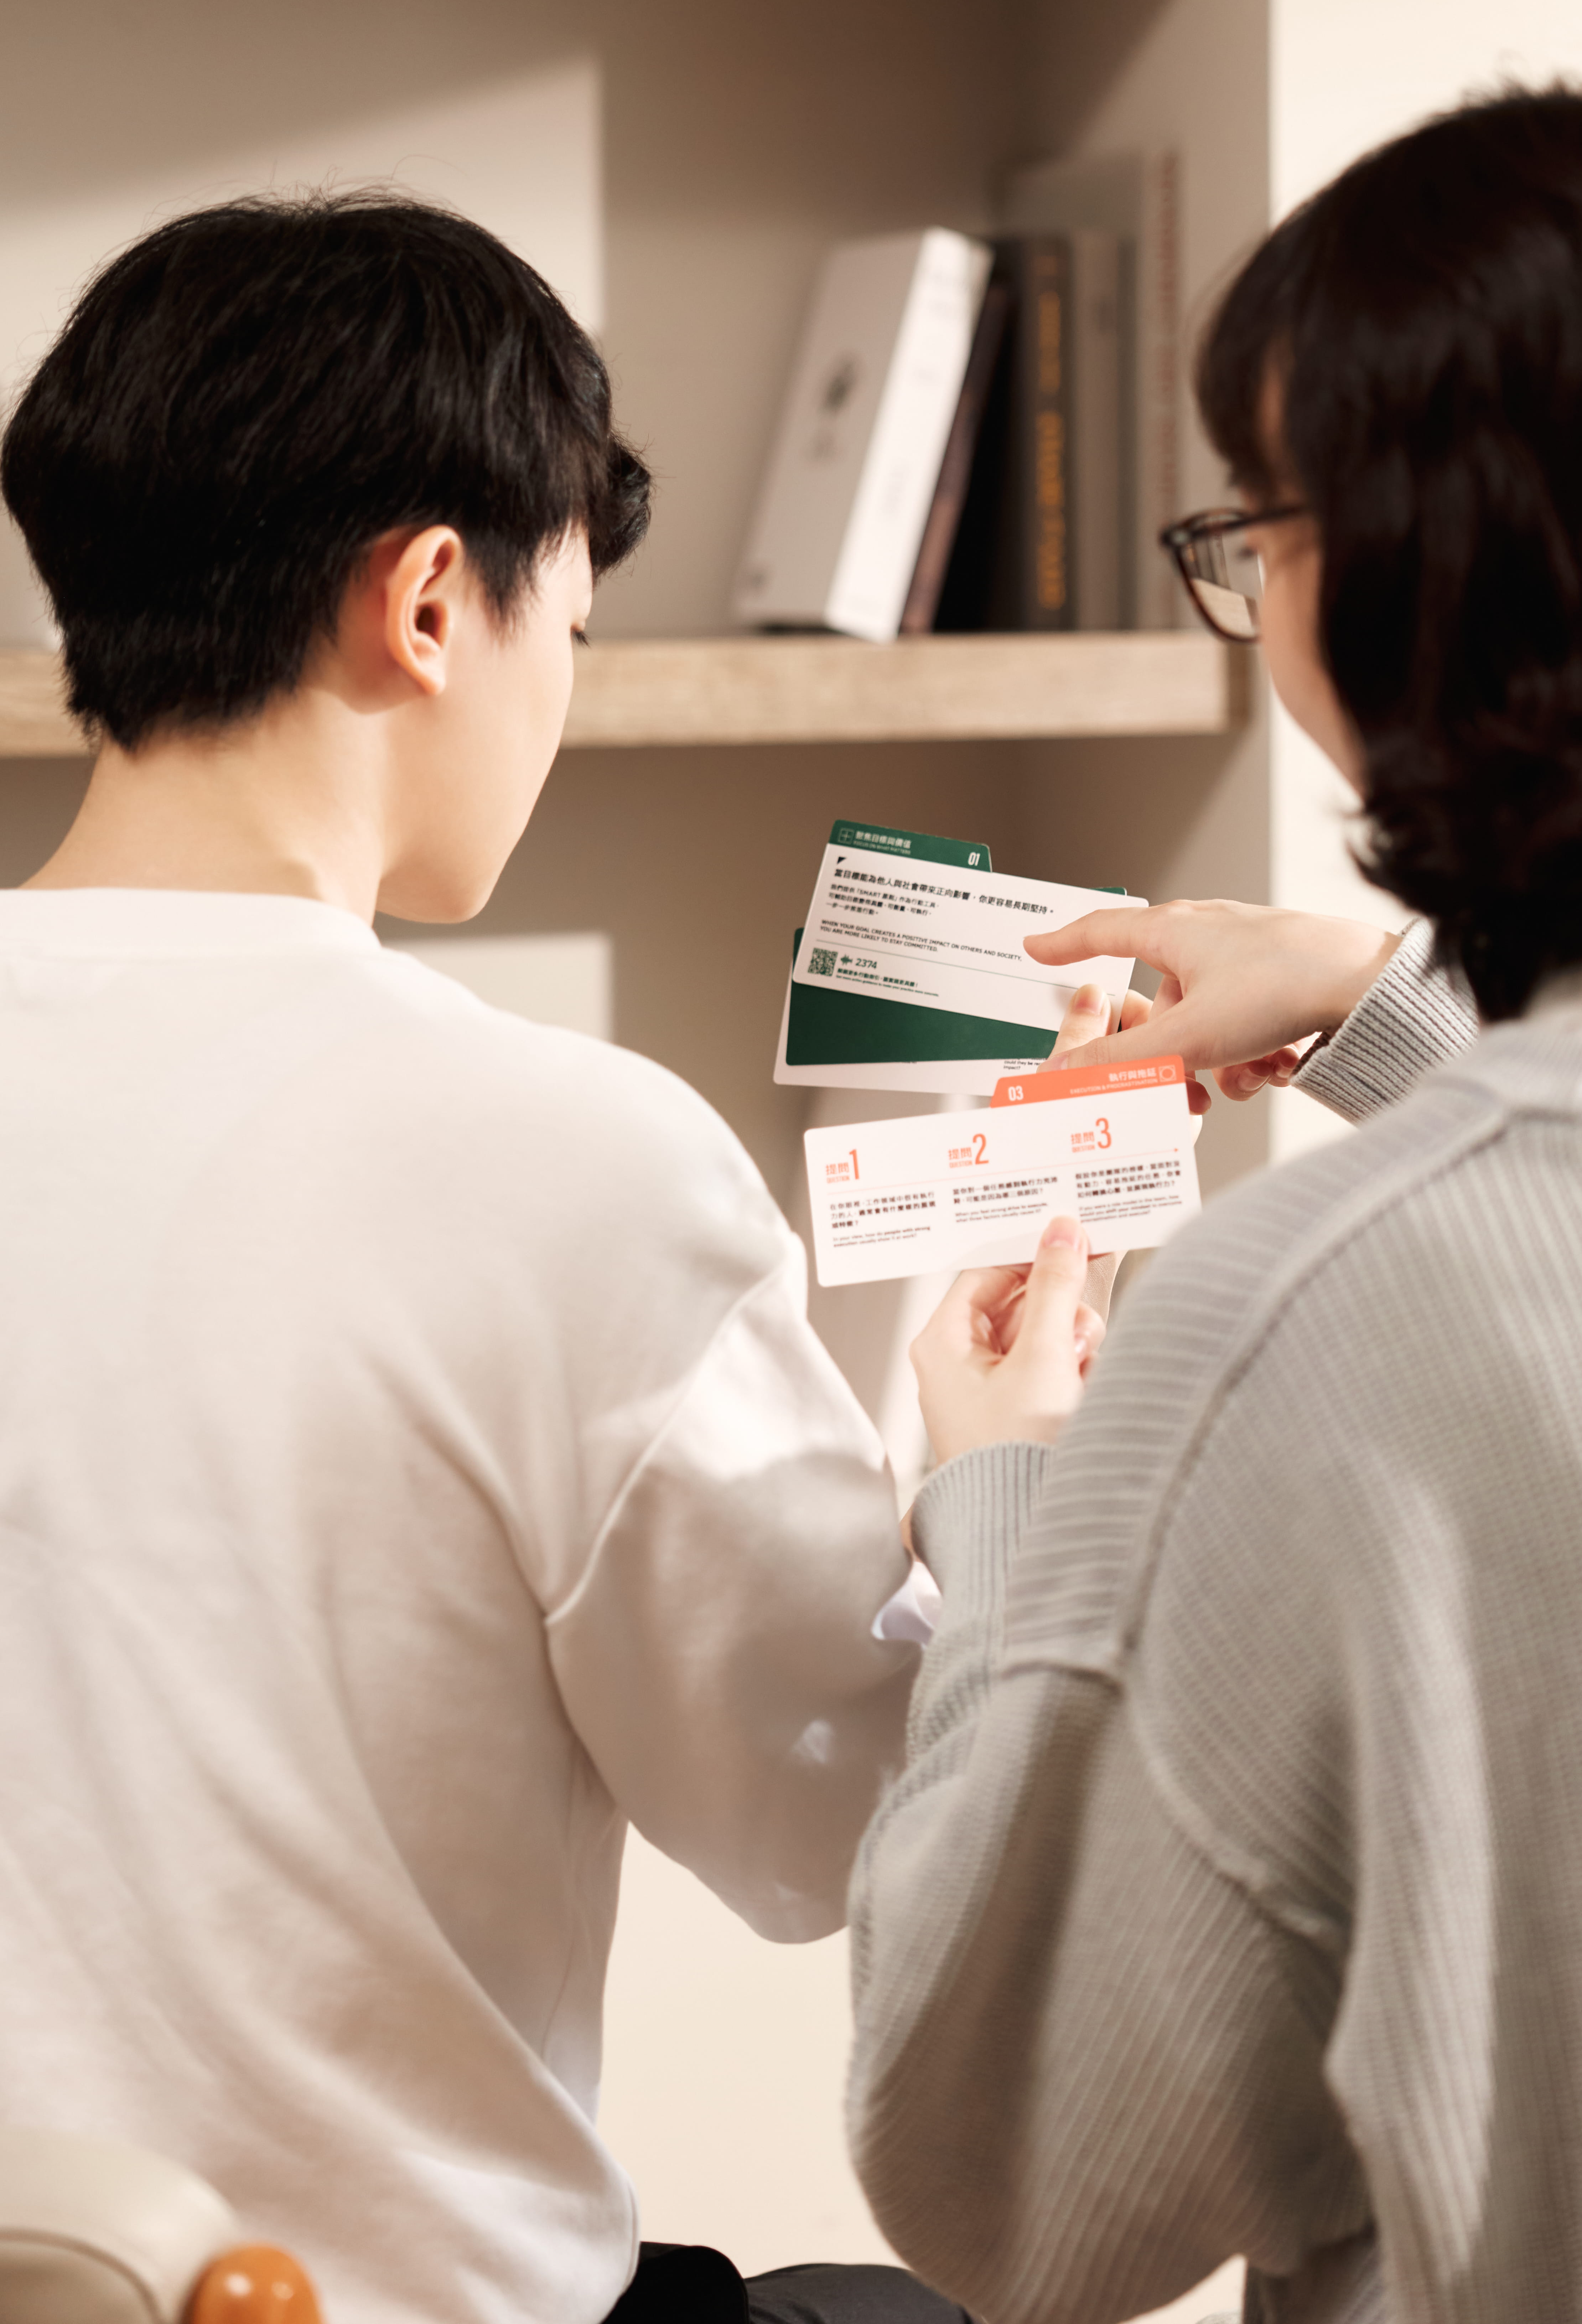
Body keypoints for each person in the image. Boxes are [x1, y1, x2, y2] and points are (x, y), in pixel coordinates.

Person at [844, 83, 1582, 2324]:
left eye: (1258, 525)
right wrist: (1382, 1010)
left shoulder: (1298, 1327)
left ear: (1431, 585)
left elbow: (1014, 2175)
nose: (1246, 593)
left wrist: (1010, 1502)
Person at [0, 196, 1103, 2324]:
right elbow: (832, 1828)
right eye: (565, 632)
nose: (557, 698)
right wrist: (997, 1465)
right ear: (432, 600)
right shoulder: (562, 1154)